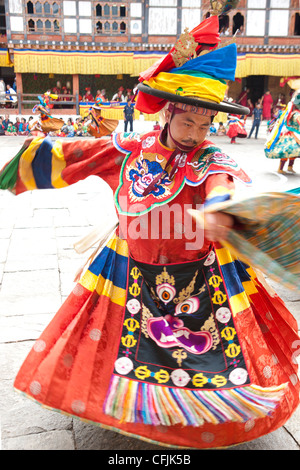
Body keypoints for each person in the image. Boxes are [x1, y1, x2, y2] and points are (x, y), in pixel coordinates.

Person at [0, 15, 299, 450]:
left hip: (198, 268)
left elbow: (223, 181)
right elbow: (83, 154)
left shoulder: (210, 156)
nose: (196, 134)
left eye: (205, 125)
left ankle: (195, 415)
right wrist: (27, 165)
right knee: (117, 342)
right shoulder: (133, 149)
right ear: (170, 112)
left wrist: (219, 208)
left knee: (206, 350)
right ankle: (127, 407)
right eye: (188, 123)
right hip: (129, 263)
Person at [265, 86, 300, 174]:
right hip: (291, 134)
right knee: (287, 151)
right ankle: (281, 168)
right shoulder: (296, 114)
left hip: (295, 133)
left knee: (294, 153)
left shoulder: (292, 113)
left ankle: (290, 166)